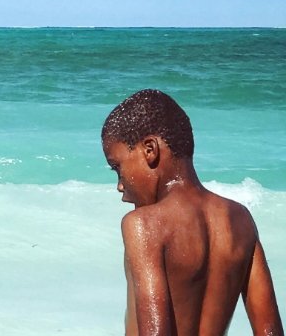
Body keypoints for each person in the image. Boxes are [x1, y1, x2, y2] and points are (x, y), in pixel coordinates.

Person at [102, 89, 282, 336]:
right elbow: (270, 331)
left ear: (150, 150)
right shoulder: (240, 220)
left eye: (117, 168)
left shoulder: (143, 225)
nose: (120, 185)